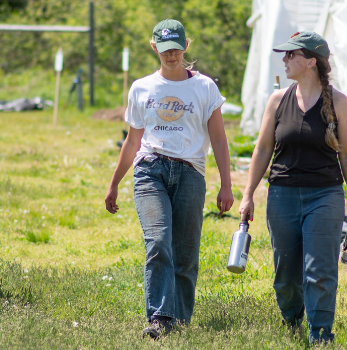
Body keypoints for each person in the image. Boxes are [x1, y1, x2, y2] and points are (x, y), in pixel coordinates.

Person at [104, 19, 234, 339]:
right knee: (159, 241)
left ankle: (182, 320)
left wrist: (227, 185)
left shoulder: (204, 88)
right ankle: (161, 319)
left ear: (186, 46)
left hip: (191, 172)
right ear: (154, 48)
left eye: (176, 49)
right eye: (165, 50)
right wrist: (114, 183)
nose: (171, 55)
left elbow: (218, 139)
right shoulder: (142, 88)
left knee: (186, 252)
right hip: (150, 169)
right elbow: (132, 142)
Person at [238, 31, 347, 344]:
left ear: (311, 61)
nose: (285, 60)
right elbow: (263, 149)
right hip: (282, 195)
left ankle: (320, 333)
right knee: (286, 274)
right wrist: (248, 194)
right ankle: (291, 319)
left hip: (325, 195)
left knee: (320, 269)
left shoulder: (339, 103)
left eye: (291, 55)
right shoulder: (278, 100)